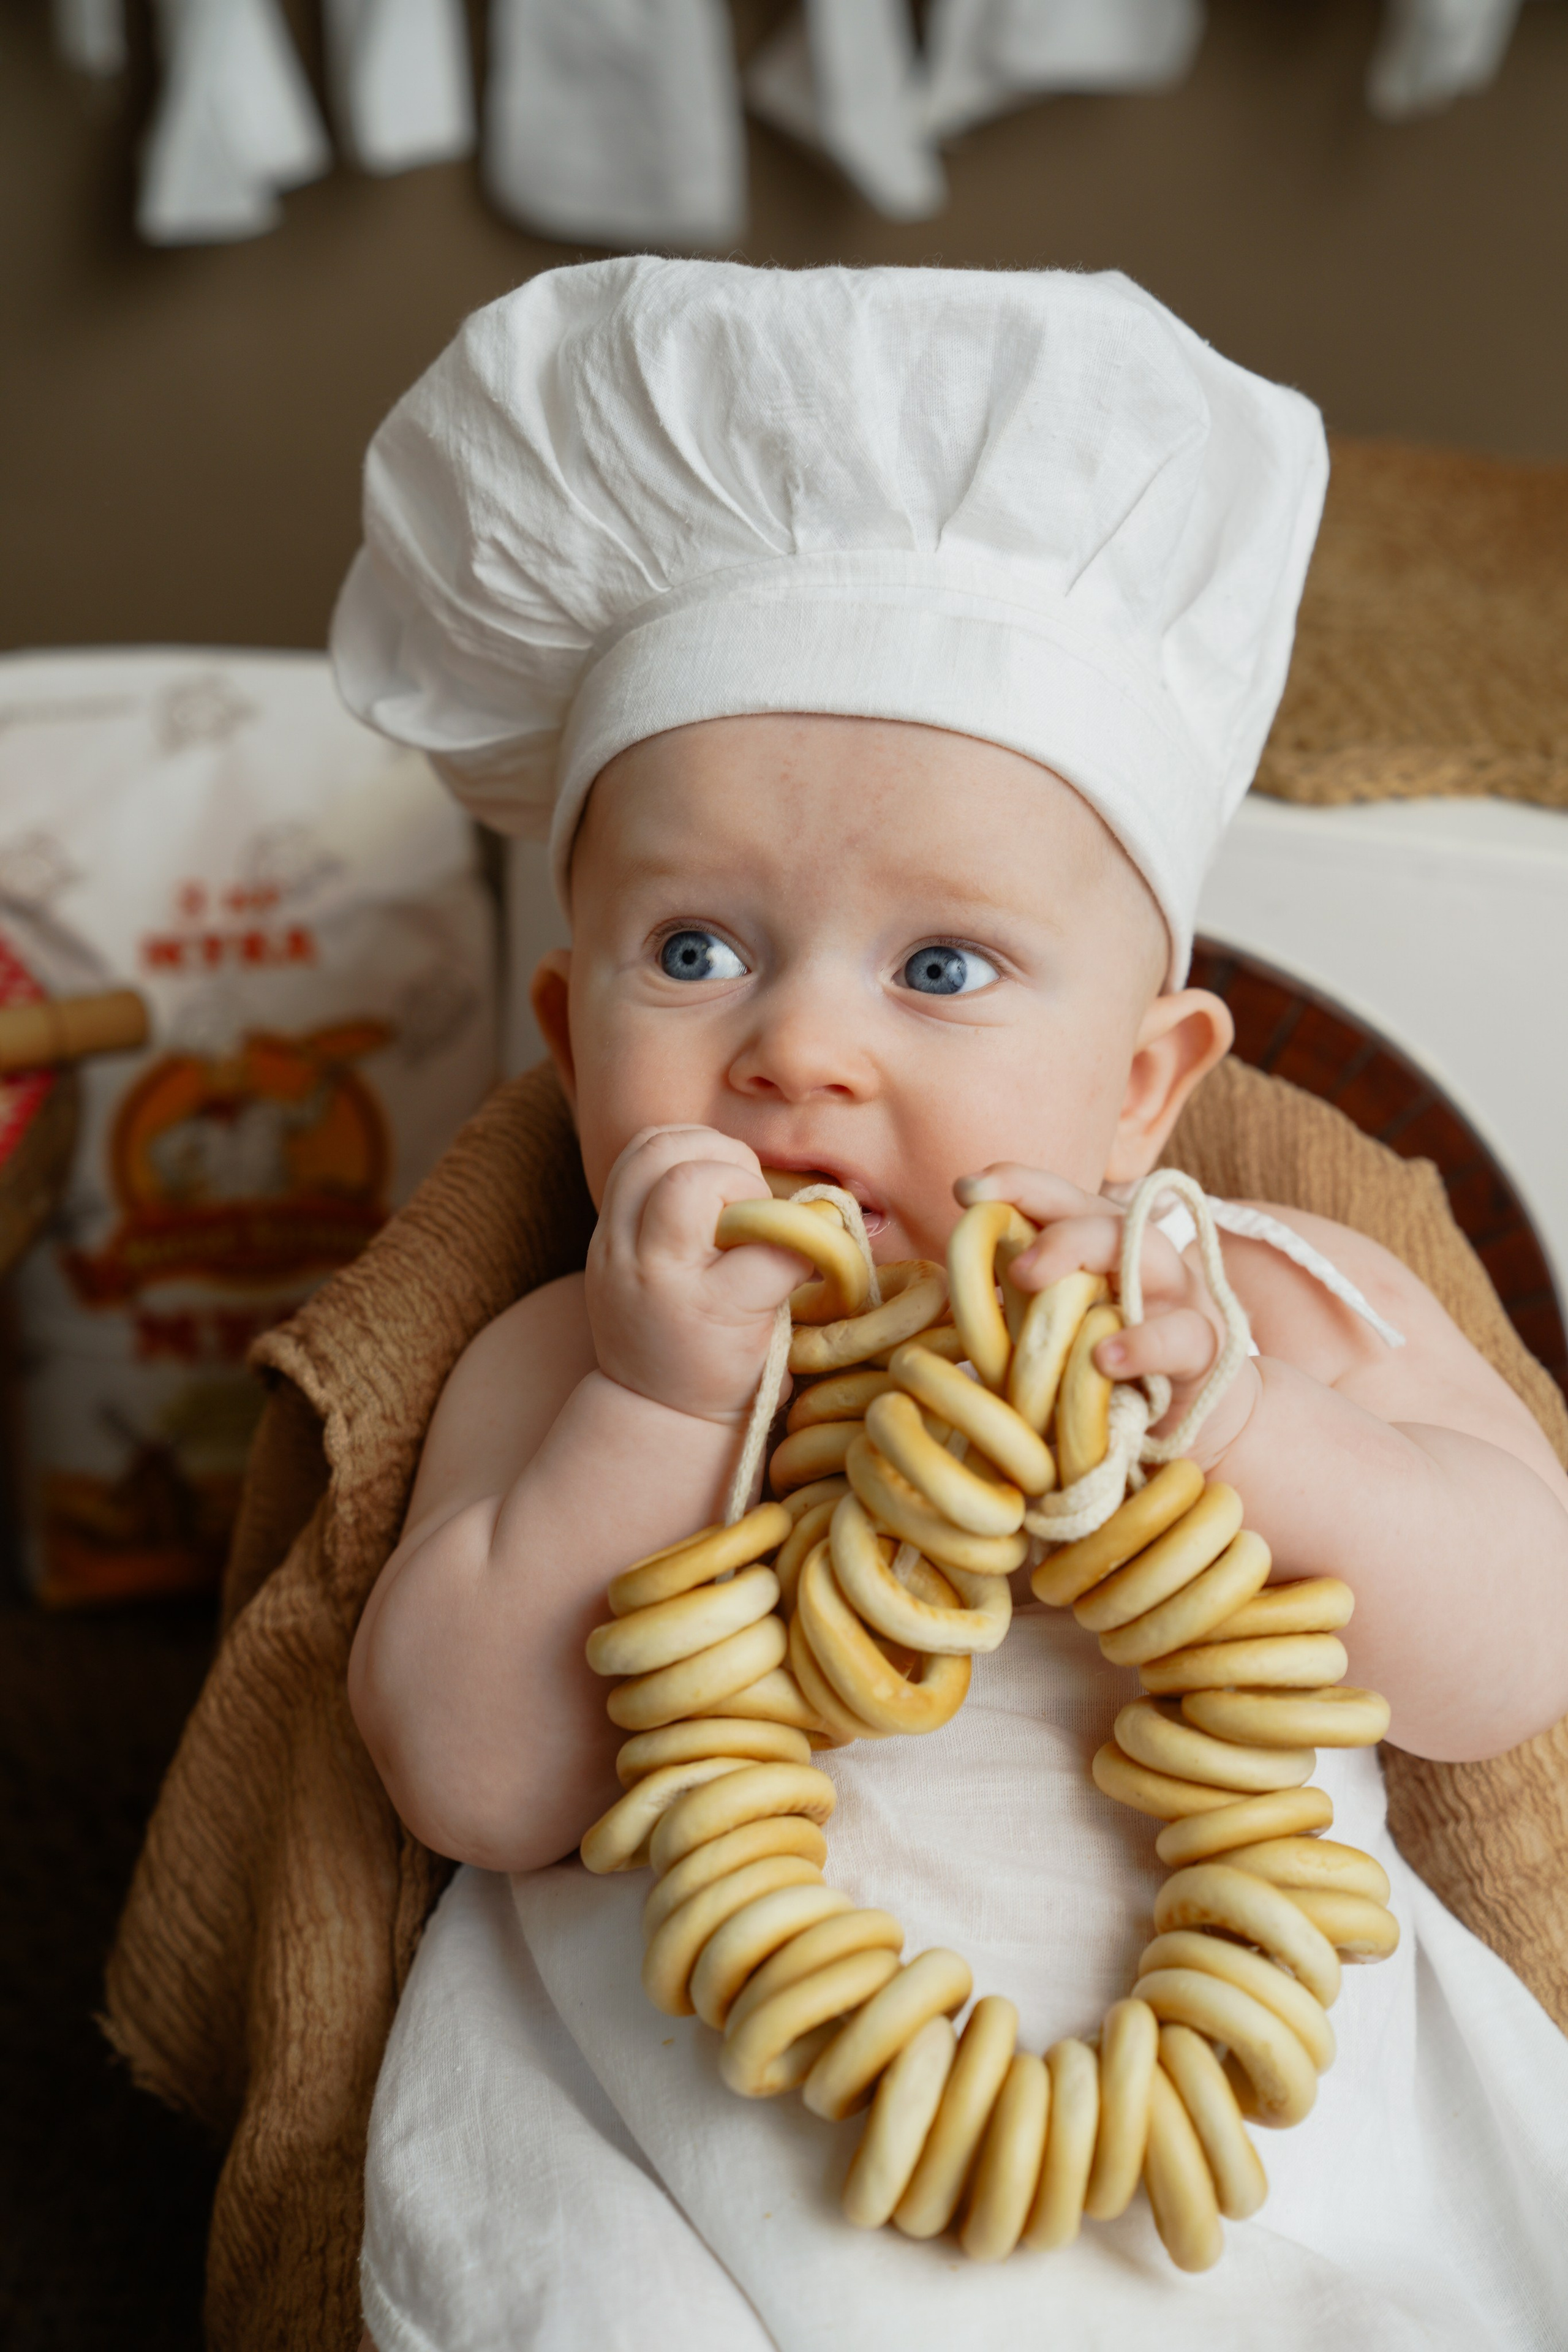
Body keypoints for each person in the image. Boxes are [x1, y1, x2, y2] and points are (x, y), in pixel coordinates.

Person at [330, 258, 1568, 2352]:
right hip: (689, 2125)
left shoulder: (1264, 1296)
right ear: (568, 1029)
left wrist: (1245, 1428)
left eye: (942, 970)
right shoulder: (570, 1348)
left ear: (1149, 1082)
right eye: (699, 951)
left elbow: (1508, 1657)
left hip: (1255, 2126)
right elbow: (467, 1781)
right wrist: (649, 1415)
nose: (800, 1048)